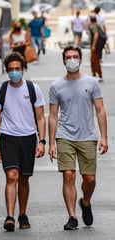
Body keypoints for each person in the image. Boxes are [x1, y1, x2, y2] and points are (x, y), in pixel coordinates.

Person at [48, 45, 108, 230]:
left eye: (75, 56)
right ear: (63, 60)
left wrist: (104, 137)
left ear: (80, 59)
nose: (72, 59)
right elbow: (52, 115)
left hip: (87, 136)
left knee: (89, 179)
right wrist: (51, 142)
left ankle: (86, 202)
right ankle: (72, 216)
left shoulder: (91, 83)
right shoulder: (56, 86)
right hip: (65, 135)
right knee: (68, 175)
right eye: (68, 56)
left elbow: (100, 110)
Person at [0, 52, 46, 232]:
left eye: (17, 69)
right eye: (11, 70)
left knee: (24, 178)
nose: (14, 72)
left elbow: (40, 117)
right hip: (8, 138)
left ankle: (22, 213)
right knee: (11, 176)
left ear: (23, 69)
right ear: (7, 71)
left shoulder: (33, 89)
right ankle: (9, 216)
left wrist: (42, 141)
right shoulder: (1, 91)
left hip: (28, 137)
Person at [89, 16, 104, 82]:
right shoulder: (98, 26)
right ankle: (94, 74)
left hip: (95, 47)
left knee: (95, 61)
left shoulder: (94, 26)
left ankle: (99, 75)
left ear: (91, 20)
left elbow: (96, 35)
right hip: (98, 47)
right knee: (93, 61)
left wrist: (93, 45)